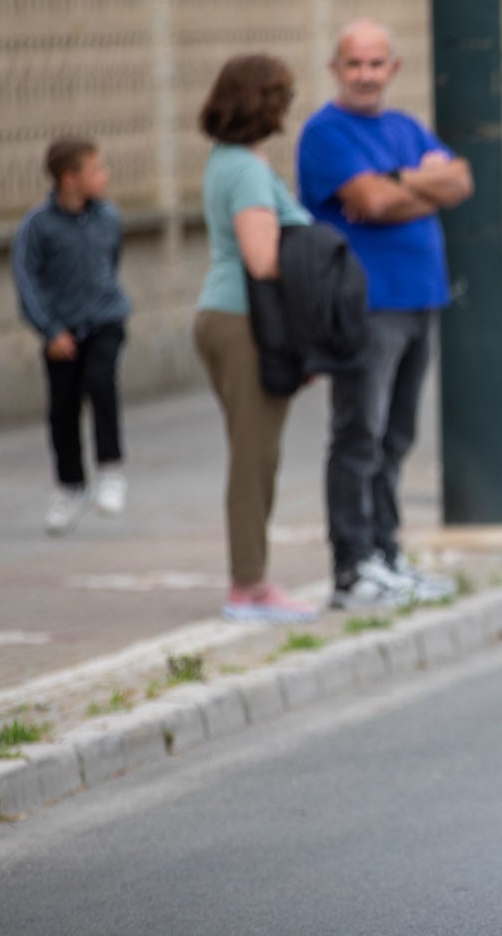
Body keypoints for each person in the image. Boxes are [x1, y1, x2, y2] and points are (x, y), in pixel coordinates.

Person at [297, 20, 470, 609]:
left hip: (421, 298)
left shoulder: (403, 126)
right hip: (364, 307)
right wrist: (416, 185)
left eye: (376, 64)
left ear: (393, 69)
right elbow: (369, 202)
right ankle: (353, 568)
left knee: (396, 436)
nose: (366, 75)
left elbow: (462, 180)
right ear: (336, 68)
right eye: (355, 64)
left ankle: (387, 554)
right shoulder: (325, 134)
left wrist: (397, 184)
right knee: (358, 435)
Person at [193, 54, 321, 623]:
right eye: (282, 98)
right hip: (245, 323)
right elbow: (263, 257)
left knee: (255, 455)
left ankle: (253, 579)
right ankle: (248, 586)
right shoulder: (244, 168)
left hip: (230, 316)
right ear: (260, 102)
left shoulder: (233, 160)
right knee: (254, 459)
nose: (286, 110)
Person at [13, 137, 132, 535]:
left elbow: (111, 264)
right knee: (62, 409)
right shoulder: (37, 226)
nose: (105, 176)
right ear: (69, 179)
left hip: (104, 322)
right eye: (96, 170)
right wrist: (49, 329)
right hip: (60, 333)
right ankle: (69, 485)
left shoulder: (109, 218)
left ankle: (111, 469)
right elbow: (27, 280)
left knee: (101, 382)